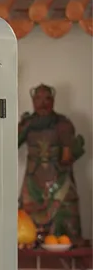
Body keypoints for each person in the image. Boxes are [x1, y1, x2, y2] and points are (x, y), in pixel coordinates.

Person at [18, 84, 84, 243]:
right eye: (38, 99)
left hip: (59, 179)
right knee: (26, 221)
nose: (43, 103)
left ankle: (66, 240)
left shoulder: (63, 124)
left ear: (53, 101)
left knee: (66, 213)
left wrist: (74, 149)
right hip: (33, 181)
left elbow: (67, 156)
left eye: (47, 99)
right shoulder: (27, 124)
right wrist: (23, 126)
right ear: (33, 101)